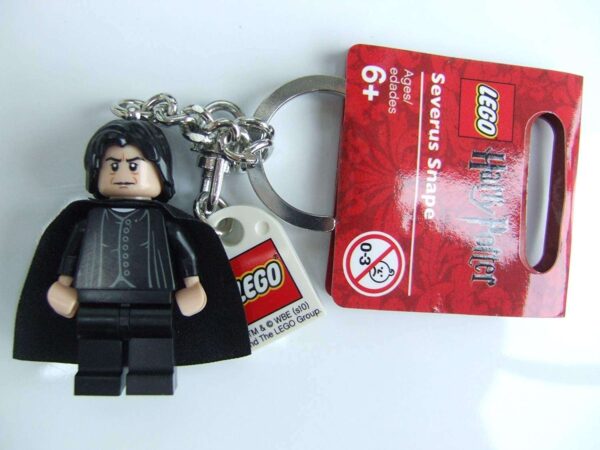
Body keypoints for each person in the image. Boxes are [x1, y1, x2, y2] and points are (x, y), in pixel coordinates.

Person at [14, 119, 251, 395]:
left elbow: (185, 253)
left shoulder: (167, 222)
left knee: (152, 347)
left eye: (134, 166)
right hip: (96, 299)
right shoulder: (85, 221)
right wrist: (63, 285)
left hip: (154, 300)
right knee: (97, 348)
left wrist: (194, 285)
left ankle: (151, 378)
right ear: (97, 171)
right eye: (113, 166)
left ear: (159, 171)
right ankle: (98, 378)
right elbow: (71, 253)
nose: (123, 174)